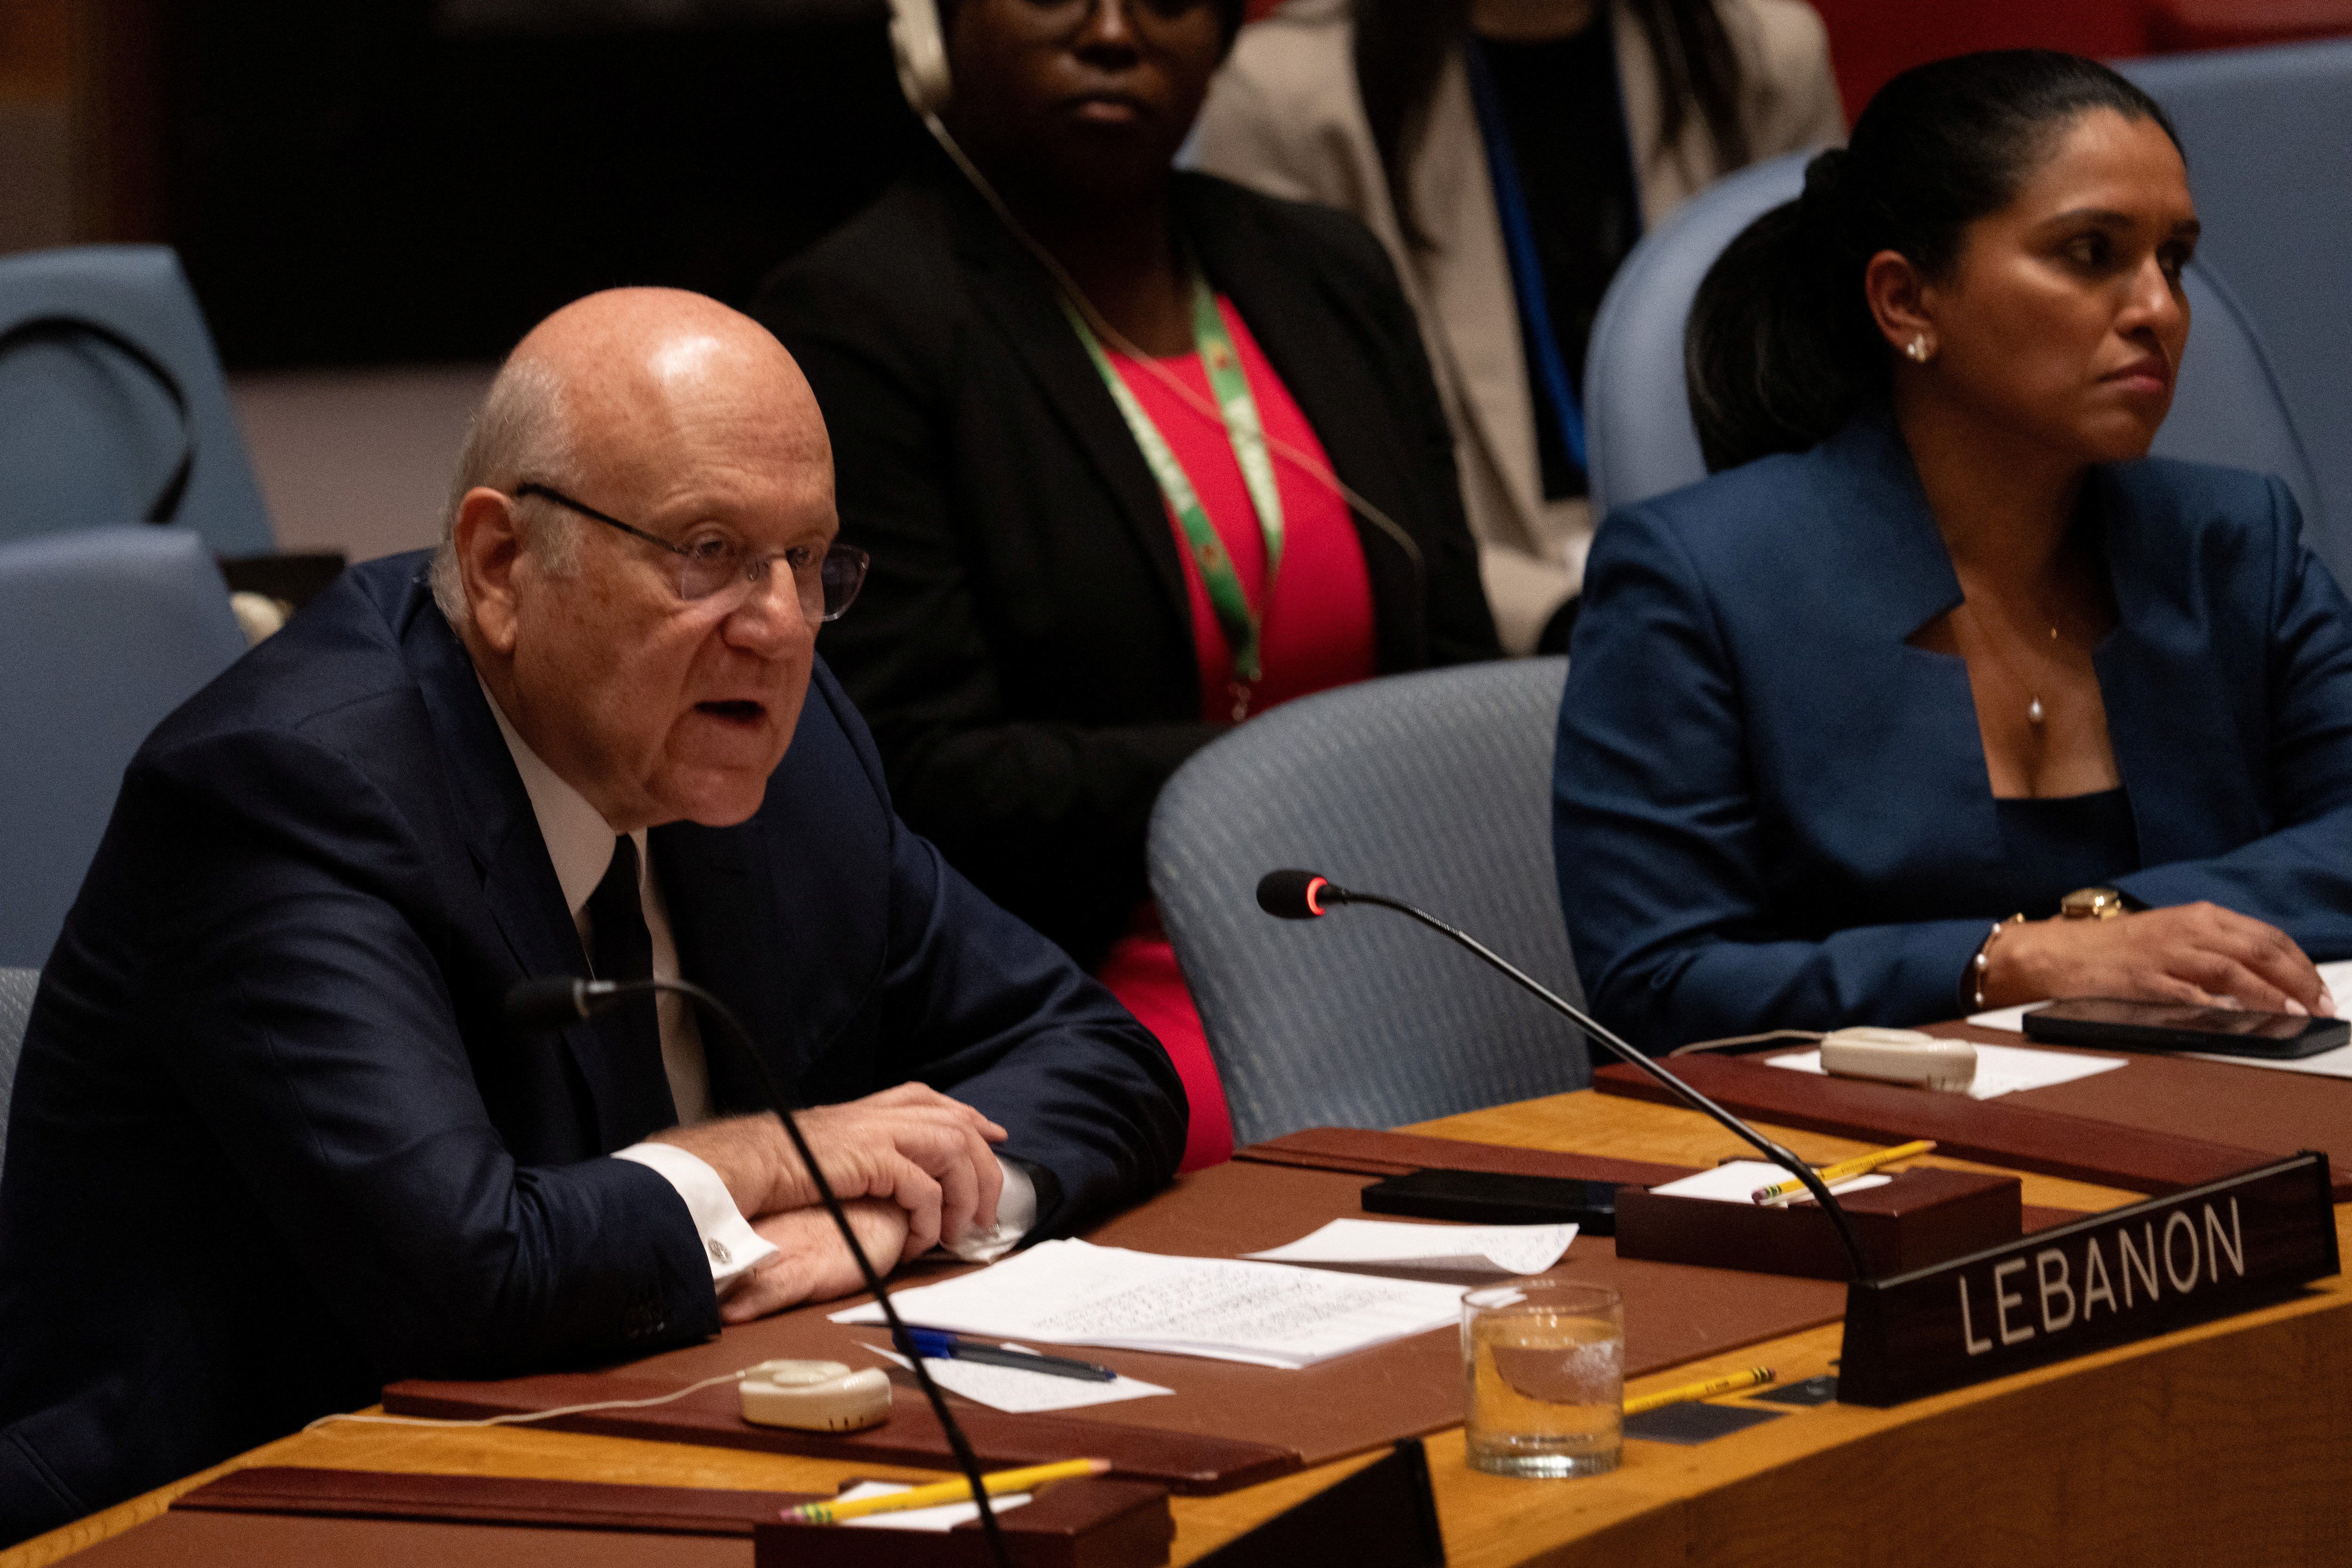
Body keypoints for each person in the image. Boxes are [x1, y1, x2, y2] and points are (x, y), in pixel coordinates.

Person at [0, 289, 1185, 1545]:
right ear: (505, 564)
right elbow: (470, 1272)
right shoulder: (286, 791)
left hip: (641, 1452)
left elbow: (1104, 1058)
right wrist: (795, 1156)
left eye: (808, 559)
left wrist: (879, 1224)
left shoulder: (786, 749)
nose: (780, 625)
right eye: (709, 550)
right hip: (226, 1505)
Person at [753, 0, 1499, 1171]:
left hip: (1402, 939)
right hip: (1100, 984)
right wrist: (1288, 773)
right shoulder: (860, 320)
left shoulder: (1327, 270)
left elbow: (1459, 659)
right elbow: (919, 769)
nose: (1113, 31)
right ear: (935, 23)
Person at [1555, 51, 2352, 1051]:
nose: (2157, 308)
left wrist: (2101, 926)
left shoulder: (2237, 544)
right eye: (2091, 252)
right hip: (1857, 1159)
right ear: (1907, 302)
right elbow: (1654, 980)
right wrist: (2005, 962)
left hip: (2209, 1105)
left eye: (2173, 260)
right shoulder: (1696, 580)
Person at [1187, 0, 1843, 655]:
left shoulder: (1761, 54)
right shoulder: (1288, 96)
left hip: (1745, 592)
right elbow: (1322, 476)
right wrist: (1560, 614)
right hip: (1478, 621)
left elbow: (1836, 407)